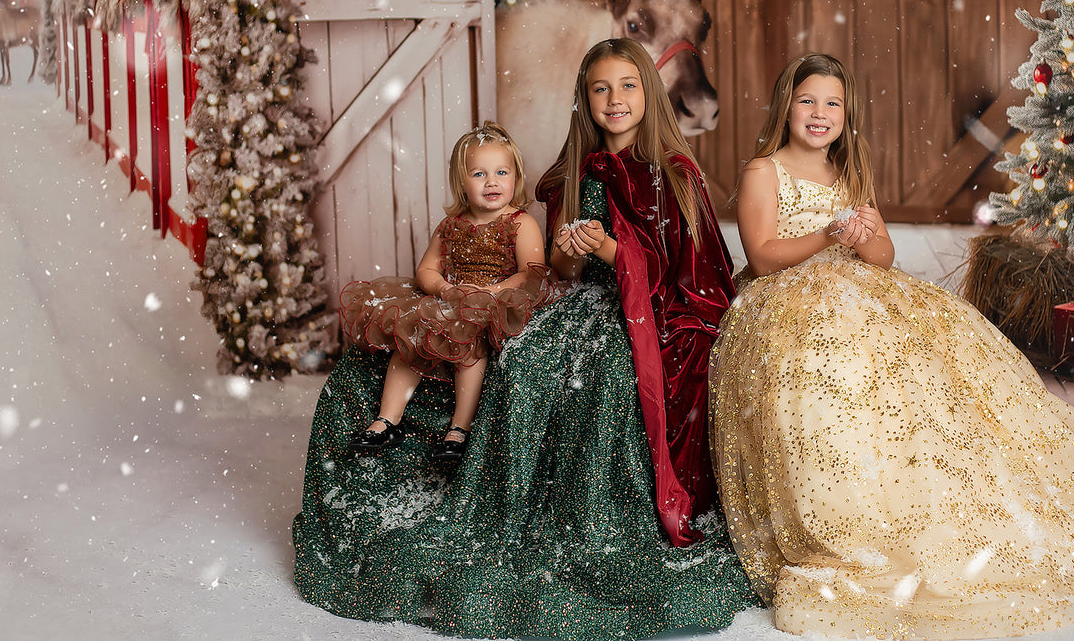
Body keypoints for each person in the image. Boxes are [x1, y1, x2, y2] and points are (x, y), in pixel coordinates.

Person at [708, 53, 1074, 640]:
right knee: (829, 379)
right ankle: (849, 517)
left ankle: (936, 498)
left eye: (833, 103)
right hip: (789, 303)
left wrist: (864, 236)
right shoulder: (765, 170)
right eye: (808, 101)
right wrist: (828, 235)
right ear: (787, 105)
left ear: (847, 113)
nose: (819, 113)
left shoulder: (848, 172)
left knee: (936, 372)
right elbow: (763, 256)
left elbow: (883, 257)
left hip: (857, 292)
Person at [294, 39, 756, 639]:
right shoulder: (572, 174)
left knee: (599, 376)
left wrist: (614, 251)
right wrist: (571, 251)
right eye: (600, 89)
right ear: (584, 99)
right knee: (522, 360)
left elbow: (687, 269)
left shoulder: (673, 172)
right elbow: (557, 270)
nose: (614, 99)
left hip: (639, 311)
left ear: (649, 92)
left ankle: (585, 517)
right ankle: (503, 504)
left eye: (627, 86)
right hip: (580, 300)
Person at [338, 121, 548, 467]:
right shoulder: (451, 225)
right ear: (462, 182)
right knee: (411, 337)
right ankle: (388, 420)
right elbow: (426, 270)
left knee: (470, 347)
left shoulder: (521, 223)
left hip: (496, 301)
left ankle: (459, 429)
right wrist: (446, 289)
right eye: (479, 174)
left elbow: (531, 273)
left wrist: (490, 291)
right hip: (451, 299)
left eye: (501, 172)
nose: (492, 182)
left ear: (516, 177)